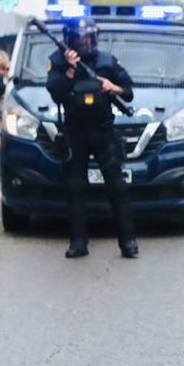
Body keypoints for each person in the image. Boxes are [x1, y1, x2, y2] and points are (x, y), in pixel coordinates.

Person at [46, 15, 138, 259]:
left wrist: (112, 86)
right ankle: (78, 242)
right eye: (80, 38)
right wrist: (69, 70)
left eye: (89, 37)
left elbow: (128, 93)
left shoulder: (107, 61)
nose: (85, 42)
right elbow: (55, 93)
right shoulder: (58, 61)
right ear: (70, 40)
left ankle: (128, 242)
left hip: (103, 130)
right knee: (75, 187)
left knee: (117, 187)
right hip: (75, 131)